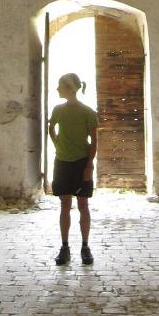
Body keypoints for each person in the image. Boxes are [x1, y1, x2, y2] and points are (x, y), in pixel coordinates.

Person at [48, 72, 98, 265]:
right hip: (62, 162)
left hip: (80, 162)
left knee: (83, 205)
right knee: (64, 205)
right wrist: (58, 143)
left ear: (70, 88)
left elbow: (94, 141)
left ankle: (85, 247)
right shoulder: (58, 109)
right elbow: (51, 128)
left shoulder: (88, 112)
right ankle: (65, 246)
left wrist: (89, 165)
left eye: (60, 85)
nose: (57, 89)